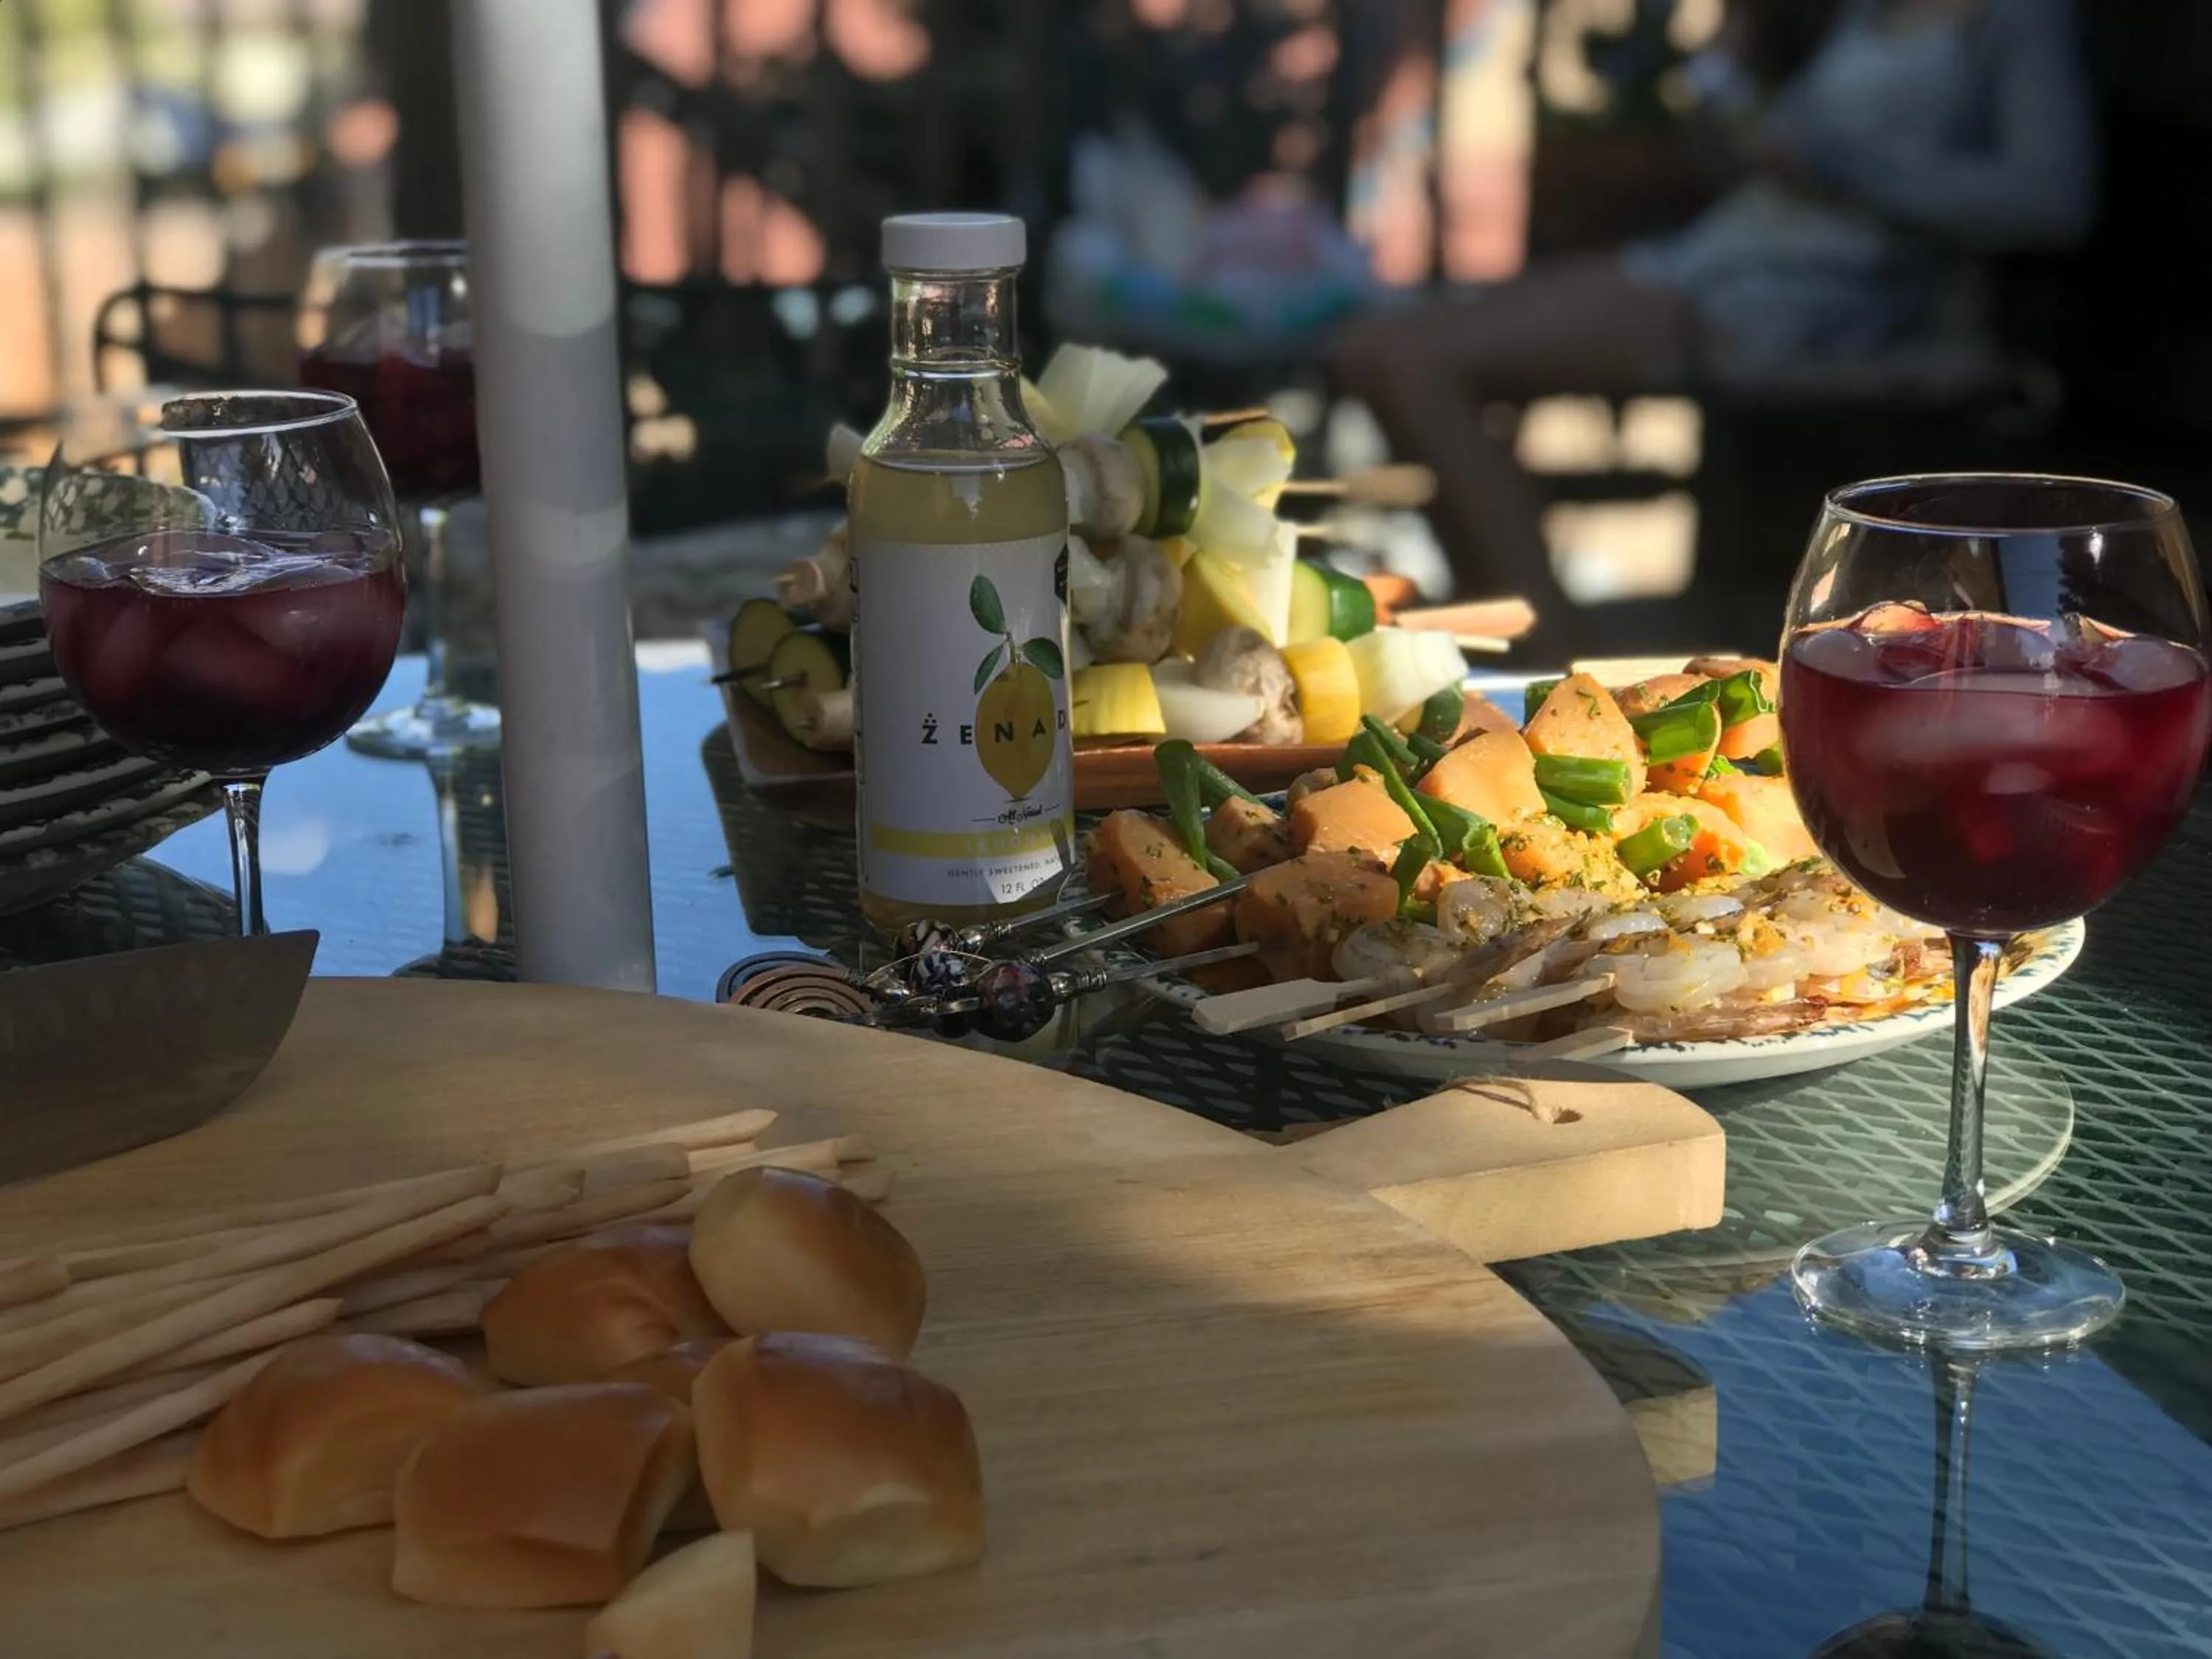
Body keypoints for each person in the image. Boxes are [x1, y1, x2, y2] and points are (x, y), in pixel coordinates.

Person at [1331, 0, 2099, 626]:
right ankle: (1514, 619)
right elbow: (1758, 163)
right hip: (1714, 254)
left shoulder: (2020, 17)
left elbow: (2051, 201)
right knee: (1382, 346)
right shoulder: (1867, 14)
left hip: (1801, 297)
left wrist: (1841, 163)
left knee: (1403, 357)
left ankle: (1544, 647)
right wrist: (1727, 93)